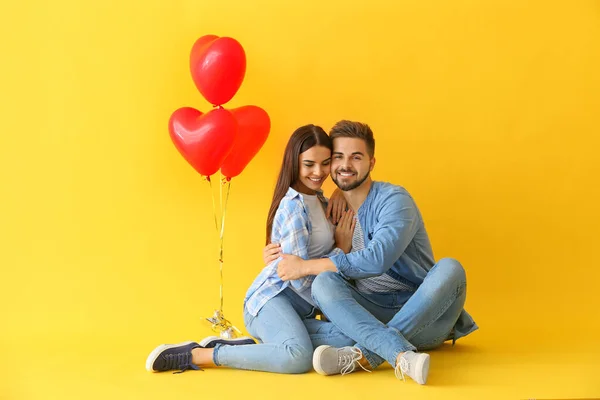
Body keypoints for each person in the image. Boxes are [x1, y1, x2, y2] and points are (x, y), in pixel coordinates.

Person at [265, 120, 478, 384]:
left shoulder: (394, 200)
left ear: (372, 163)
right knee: (325, 283)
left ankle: (365, 355)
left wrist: (305, 267)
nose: (345, 166)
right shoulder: (330, 207)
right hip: (369, 314)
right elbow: (303, 246)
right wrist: (276, 253)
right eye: (338, 157)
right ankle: (396, 353)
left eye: (356, 157)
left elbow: (377, 260)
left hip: (425, 315)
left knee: (450, 268)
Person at [145, 124, 357, 374]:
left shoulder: (321, 200)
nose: (318, 172)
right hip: (271, 300)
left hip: (302, 310)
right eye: (309, 164)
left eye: (325, 163)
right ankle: (200, 354)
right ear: (294, 162)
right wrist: (341, 251)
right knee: (297, 357)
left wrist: (344, 191)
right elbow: (297, 279)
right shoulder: (293, 207)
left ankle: (248, 347)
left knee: (350, 338)